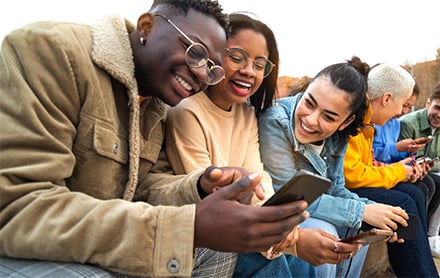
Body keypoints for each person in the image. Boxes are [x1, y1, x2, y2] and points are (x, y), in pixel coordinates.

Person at [0, 1, 309, 277]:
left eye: (212, 69)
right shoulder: (54, 51)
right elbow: (18, 205)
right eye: (196, 52)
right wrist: (186, 228)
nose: (202, 75)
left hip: (95, 233)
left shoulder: (157, 102)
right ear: (147, 26)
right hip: (22, 241)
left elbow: (144, 186)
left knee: (215, 253)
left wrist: (201, 186)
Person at [165, 14, 362, 277]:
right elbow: (211, 198)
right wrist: (292, 239)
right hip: (204, 233)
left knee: (306, 262)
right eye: (236, 57)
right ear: (214, 54)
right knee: (275, 263)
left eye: (259, 64)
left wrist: (286, 231)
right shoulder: (187, 112)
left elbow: (259, 179)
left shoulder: (246, 114)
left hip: (246, 222)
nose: (249, 71)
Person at [234, 56, 408, 278]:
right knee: (327, 231)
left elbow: (336, 188)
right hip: (275, 213)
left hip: (306, 207)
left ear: (345, 122)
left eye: (329, 116)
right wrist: (361, 211)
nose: (311, 120)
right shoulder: (276, 121)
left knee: (361, 227)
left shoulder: (340, 135)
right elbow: (285, 195)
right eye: (309, 103)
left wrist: (379, 214)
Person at [343, 63, 440, 277]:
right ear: (386, 98)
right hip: (342, 191)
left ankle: (422, 269)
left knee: (414, 192)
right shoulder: (356, 119)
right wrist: (398, 172)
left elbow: (366, 165)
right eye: (403, 104)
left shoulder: (367, 121)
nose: (401, 112)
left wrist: (400, 168)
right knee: (403, 203)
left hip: (354, 184)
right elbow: (351, 175)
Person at [373, 83, 440, 222]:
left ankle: (429, 233)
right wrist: (397, 148)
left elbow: (396, 157)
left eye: (409, 106)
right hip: (383, 172)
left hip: (392, 169)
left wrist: (412, 157)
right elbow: (373, 156)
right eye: (404, 105)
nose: (405, 111)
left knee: (433, 183)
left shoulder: (395, 123)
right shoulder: (378, 122)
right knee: (417, 192)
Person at [399, 80, 440, 260]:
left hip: (425, 173)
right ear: (428, 103)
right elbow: (403, 157)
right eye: (438, 108)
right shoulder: (408, 123)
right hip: (407, 172)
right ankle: (430, 236)